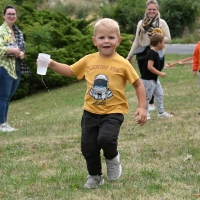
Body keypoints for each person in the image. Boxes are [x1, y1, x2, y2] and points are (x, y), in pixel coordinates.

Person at [42, 18, 147, 189]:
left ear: (118, 41)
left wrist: (142, 107)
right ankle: (95, 176)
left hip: (113, 112)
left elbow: (138, 84)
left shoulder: (123, 63)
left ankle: (112, 158)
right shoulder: (88, 60)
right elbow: (70, 70)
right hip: (90, 113)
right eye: (102, 37)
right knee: (88, 147)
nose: (106, 41)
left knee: (106, 139)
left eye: (111, 37)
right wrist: (52, 64)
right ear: (94, 41)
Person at [126, 0, 171, 112]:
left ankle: (152, 104)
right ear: (146, 10)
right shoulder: (141, 24)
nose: (151, 11)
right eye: (149, 9)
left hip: (155, 51)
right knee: (145, 79)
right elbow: (137, 40)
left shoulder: (162, 23)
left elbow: (168, 38)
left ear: (157, 10)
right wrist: (130, 55)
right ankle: (148, 104)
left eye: (154, 9)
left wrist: (157, 37)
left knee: (153, 78)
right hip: (142, 53)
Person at [0, 5, 31, 132]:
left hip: (16, 68)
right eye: (9, 14)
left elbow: (22, 48)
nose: (11, 16)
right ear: (3, 16)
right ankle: (0, 125)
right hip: (3, 68)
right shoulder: (0, 31)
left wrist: (21, 53)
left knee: (7, 97)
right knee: (2, 97)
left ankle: (4, 124)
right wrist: (13, 50)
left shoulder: (18, 32)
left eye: (13, 14)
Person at [142, 32, 172, 120]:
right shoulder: (151, 53)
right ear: (159, 44)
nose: (164, 44)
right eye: (163, 42)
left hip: (154, 79)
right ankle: (145, 113)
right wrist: (160, 73)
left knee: (160, 94)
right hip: (148, 80)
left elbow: (155, 64)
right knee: (147, 97)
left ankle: (161, 112)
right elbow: (149, 67)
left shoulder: (156, 52)